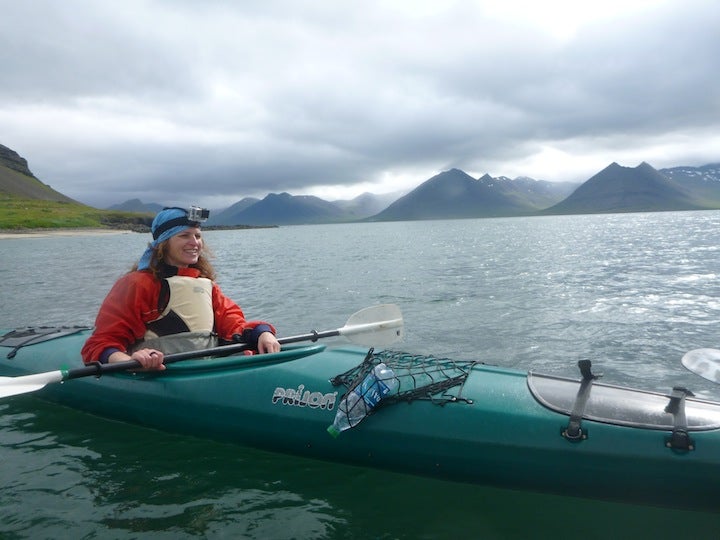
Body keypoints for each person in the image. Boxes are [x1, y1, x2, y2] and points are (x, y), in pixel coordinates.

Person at [81, 206, 280, 370]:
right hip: (160, 375)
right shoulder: (137, 284)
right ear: (163, 244)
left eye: (198, 236)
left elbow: (233, 324)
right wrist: (130, 360)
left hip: (204, 370)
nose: (195, 243)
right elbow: (100, 344)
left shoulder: (205, 285)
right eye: (184, 235)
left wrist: (262, 333)